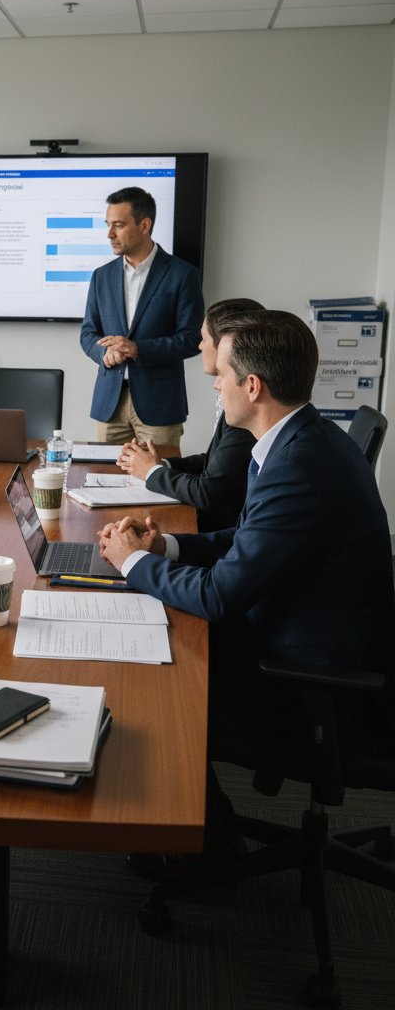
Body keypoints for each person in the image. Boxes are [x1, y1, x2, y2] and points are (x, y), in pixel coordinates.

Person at [99, 312, 393, 849]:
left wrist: (131, 563)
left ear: (252, 386)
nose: (216, 385)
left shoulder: (297, 463)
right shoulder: (301, 438)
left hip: (317, 687)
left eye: (223, 375)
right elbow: (246, 537)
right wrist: (165, 547)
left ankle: (208, 848)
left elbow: (218, 596)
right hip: (304, 635)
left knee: (160, 687)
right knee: (165, 641)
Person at [116, 297, 264, 531]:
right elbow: (214, 462)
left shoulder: (245, 405)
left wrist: (152, 472)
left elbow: (209, 491)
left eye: (203, 338)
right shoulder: (233, 395)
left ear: (225, 343)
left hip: (219, 532)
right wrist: (158, 463)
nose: (200, 346)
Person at [79, 186, 204, 446]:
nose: (110, 234)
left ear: (144, 225)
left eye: (119, 225)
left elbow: (193, 339)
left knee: (158, 472)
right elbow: (88, 333)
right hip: (109, 403)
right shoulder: (101, 276)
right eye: (108, 225)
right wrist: (104, 352)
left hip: (160, 404)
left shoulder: (182, 274)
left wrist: (137, 349)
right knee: (103, 473)